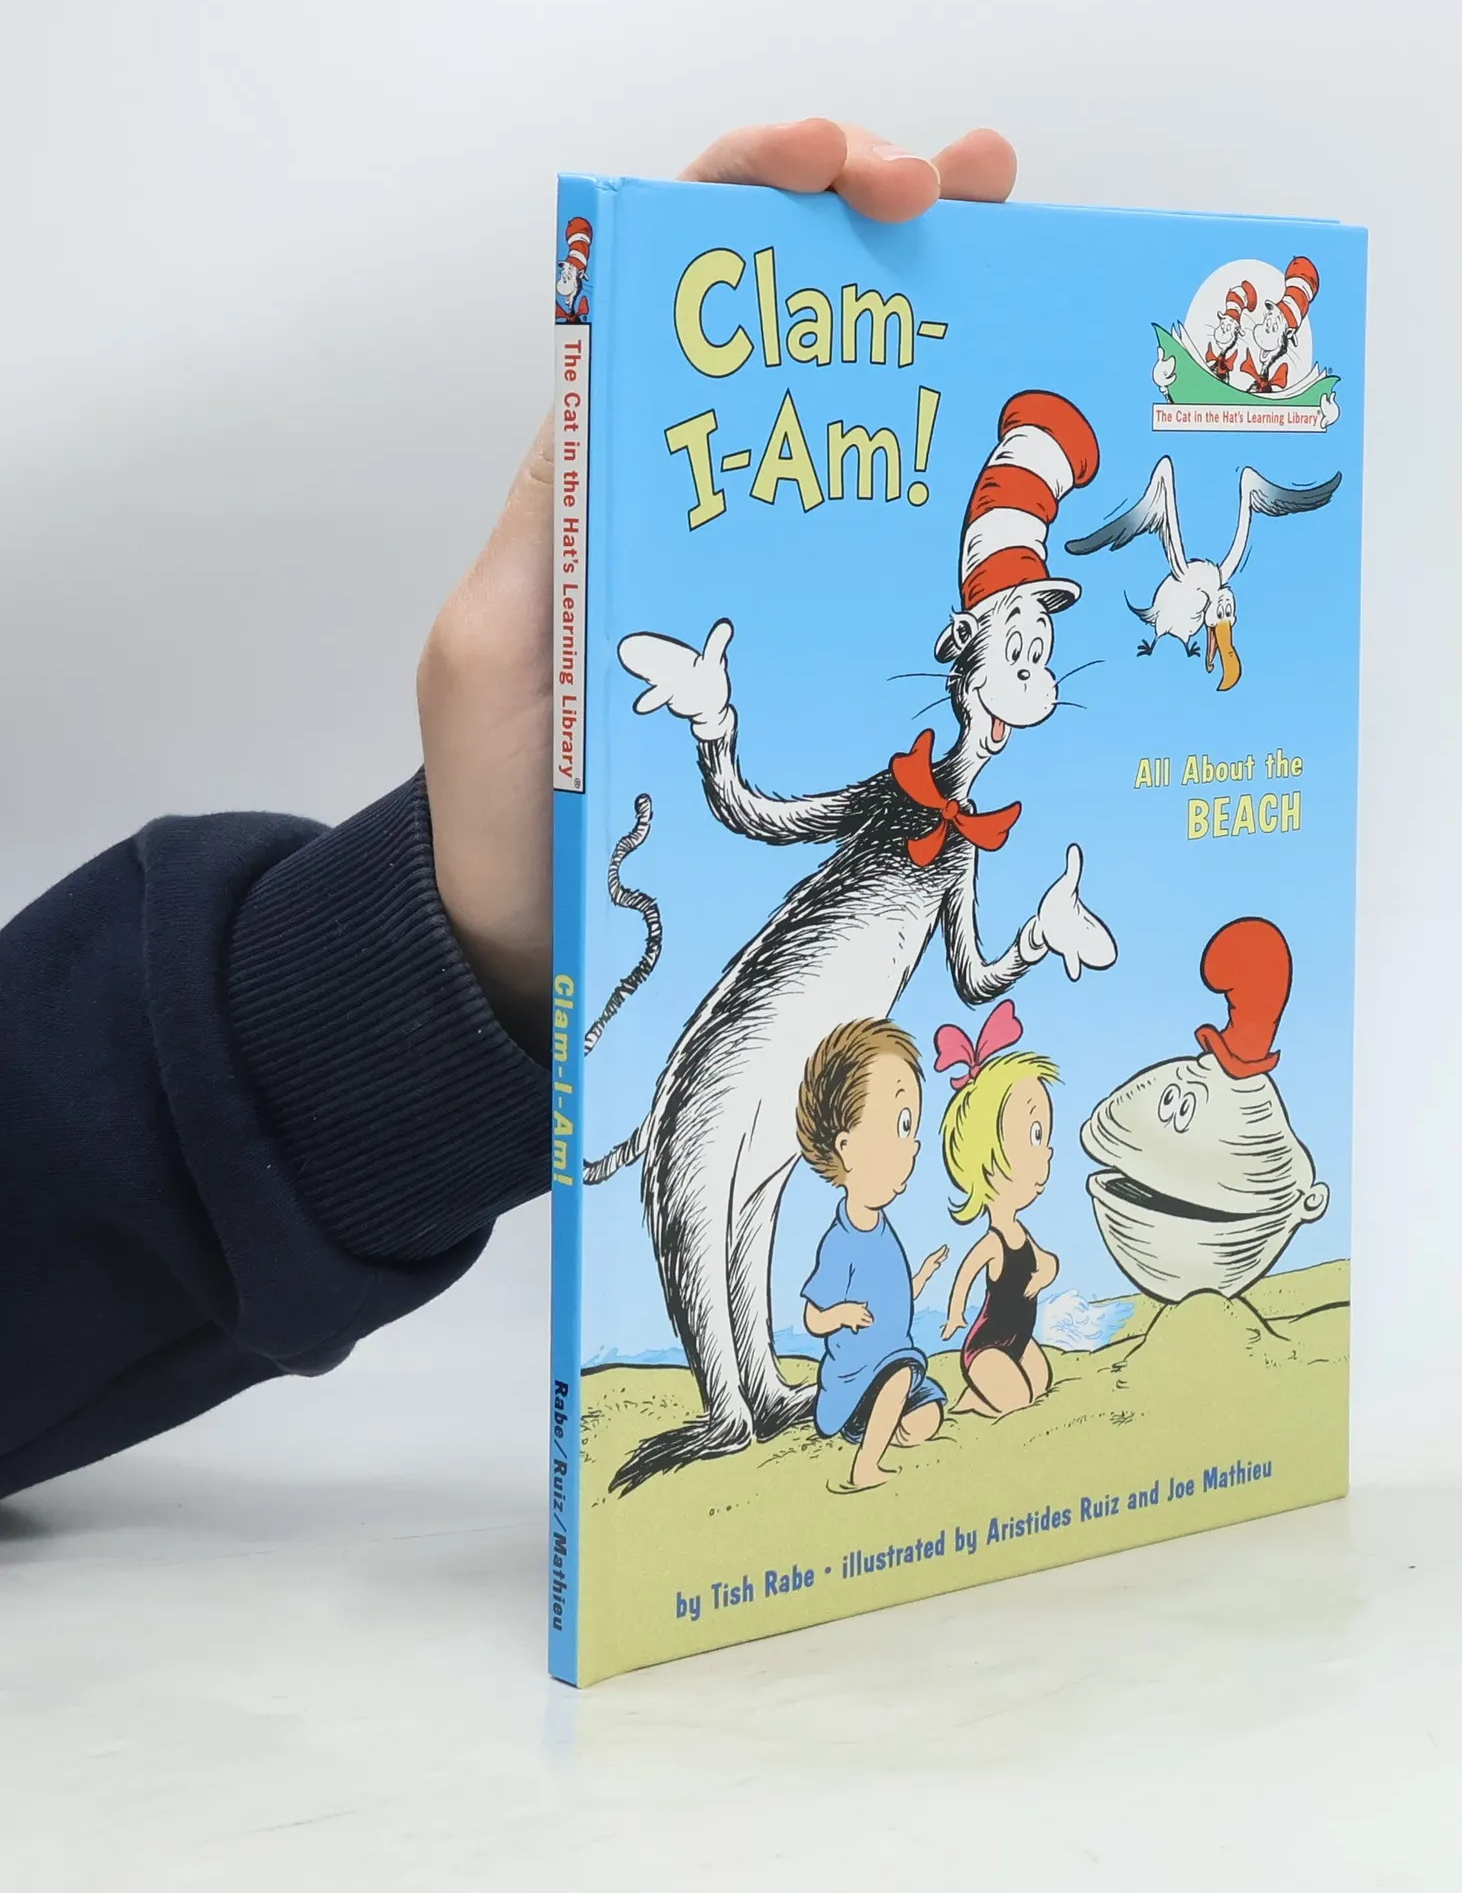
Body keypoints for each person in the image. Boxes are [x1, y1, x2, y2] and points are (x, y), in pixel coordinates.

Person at [0, 121, 1019, 1504]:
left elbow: (971, 971)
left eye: (1042, 641)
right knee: (711, 1192)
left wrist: (470, 942)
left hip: (800, 1053)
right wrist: (713, 732)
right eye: (1018, 636)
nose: (1035, 663)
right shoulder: (898, 796)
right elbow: (762, 818)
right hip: (745, 1044)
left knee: (770, 1196)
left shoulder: (968, 839)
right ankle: (736, 1404)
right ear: (968, 660)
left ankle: (761, 1400)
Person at [795, 1020, 949, 1489]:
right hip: (858, 1379)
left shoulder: (884, 1231)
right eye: (898, 1127)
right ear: (847, 1148)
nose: (913, 1146)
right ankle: (864, 1466)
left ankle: (883, 1429)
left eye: (911, 1128)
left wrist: (922, 1275)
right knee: (901, 1376)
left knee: (928, 1415)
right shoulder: (840, 1242)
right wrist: (840, 1313)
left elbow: (894, 1296)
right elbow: (812, 1318)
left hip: (893, 1362)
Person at [935, 1003, 1061, 1419]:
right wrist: (955, 1314)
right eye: (1034, 1135)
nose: (1047, 1151)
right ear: (989, 1162)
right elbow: (966, 1274)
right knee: (1018, 1400)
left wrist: (1046, 1272)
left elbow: (1047, 1261)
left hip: (1018, 1339)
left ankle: (981, 1397)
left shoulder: (1022, 1235)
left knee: (1042, 1383)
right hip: (986, 1347)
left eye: (1044, 1136)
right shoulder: (993, 1244)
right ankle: (974, 1399)